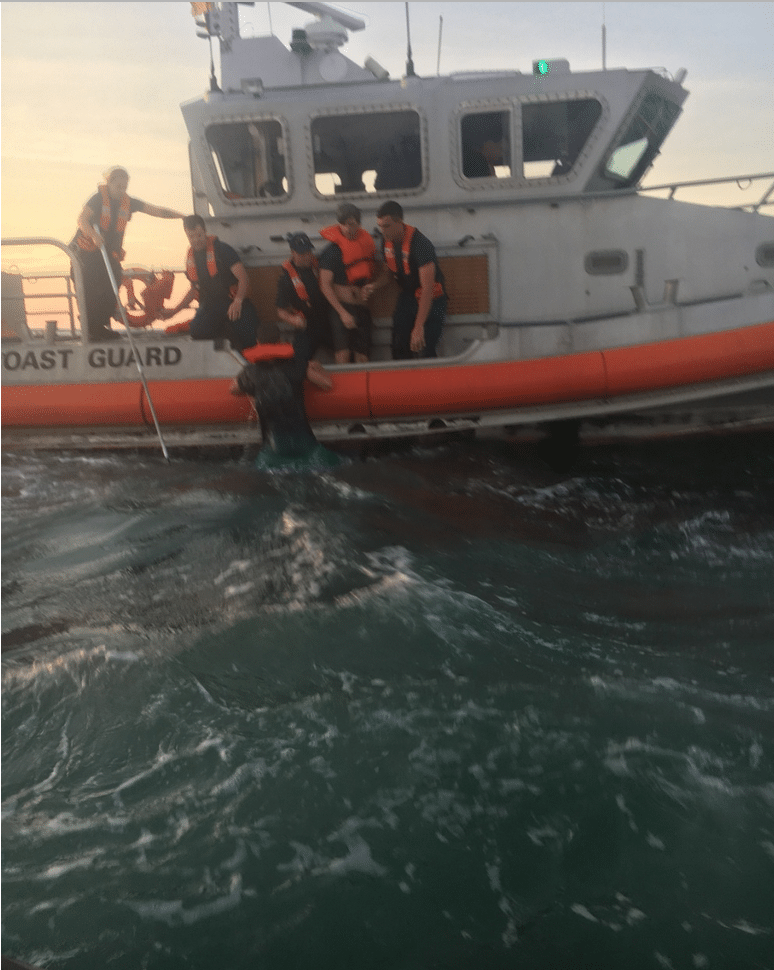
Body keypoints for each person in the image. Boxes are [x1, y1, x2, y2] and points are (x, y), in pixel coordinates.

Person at [71, 166, 183, 341]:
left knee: (114, 283)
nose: (122, 190)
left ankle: (99, 327)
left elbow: (158, 211)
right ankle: (92, 330)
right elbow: (82, 219)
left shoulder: (129, 202)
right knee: (91, 291)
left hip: (107, 256)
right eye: (119, 187)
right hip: (86, 255)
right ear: (109, 183)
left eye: (125, 187)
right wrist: (93, 235)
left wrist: (183, 216)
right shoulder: (97, 199)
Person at [367, 200, 447, 360]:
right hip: (409, 295)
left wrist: (418, 328)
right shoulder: (386, 241)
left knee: (424, 347)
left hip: (432, 297)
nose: (383, 231)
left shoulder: (421, 245)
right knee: (398, 346)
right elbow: (389, 272)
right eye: (380, 226)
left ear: (400, 222)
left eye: (387, 226)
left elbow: (428, 289)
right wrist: (374, 286)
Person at [181, 214, 260, 351]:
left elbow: (243, 278)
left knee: (251, 338)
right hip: (212, 306)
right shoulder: (191, 257)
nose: (196, 240)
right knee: (196, 330)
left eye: (199, 235)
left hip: (233, 302)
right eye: (191, 237)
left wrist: (238, 301)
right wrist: (174, 311)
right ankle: (226, 336)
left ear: (204, 231)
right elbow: (194, 289)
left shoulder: (223, 250)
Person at [318, 202, 378, 364]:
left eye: (351, 224)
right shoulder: (330, 252)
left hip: (362, 310)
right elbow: (324, 285)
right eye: (343, 225)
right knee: (342, 356)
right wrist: (341, 313)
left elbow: (376, 273)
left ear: (358, 224)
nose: (347, 229)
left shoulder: (366, 246)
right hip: (341, 309)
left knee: (362, 358)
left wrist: (371, 287)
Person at [275, 232, 333, 390]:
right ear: (293, 253)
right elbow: (280, 311)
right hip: (308, 326)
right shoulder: (286, 280)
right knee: (298, 359)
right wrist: (294, 320)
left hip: (328, 320)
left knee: (345, 346)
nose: (307, 256)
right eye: (302, 253)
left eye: (309, 252)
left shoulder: (320, 265)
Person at [460, 113, 507, 178]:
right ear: (486, 142)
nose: (501, 154)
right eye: (500, 148)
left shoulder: (483, 163)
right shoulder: (477, 163)